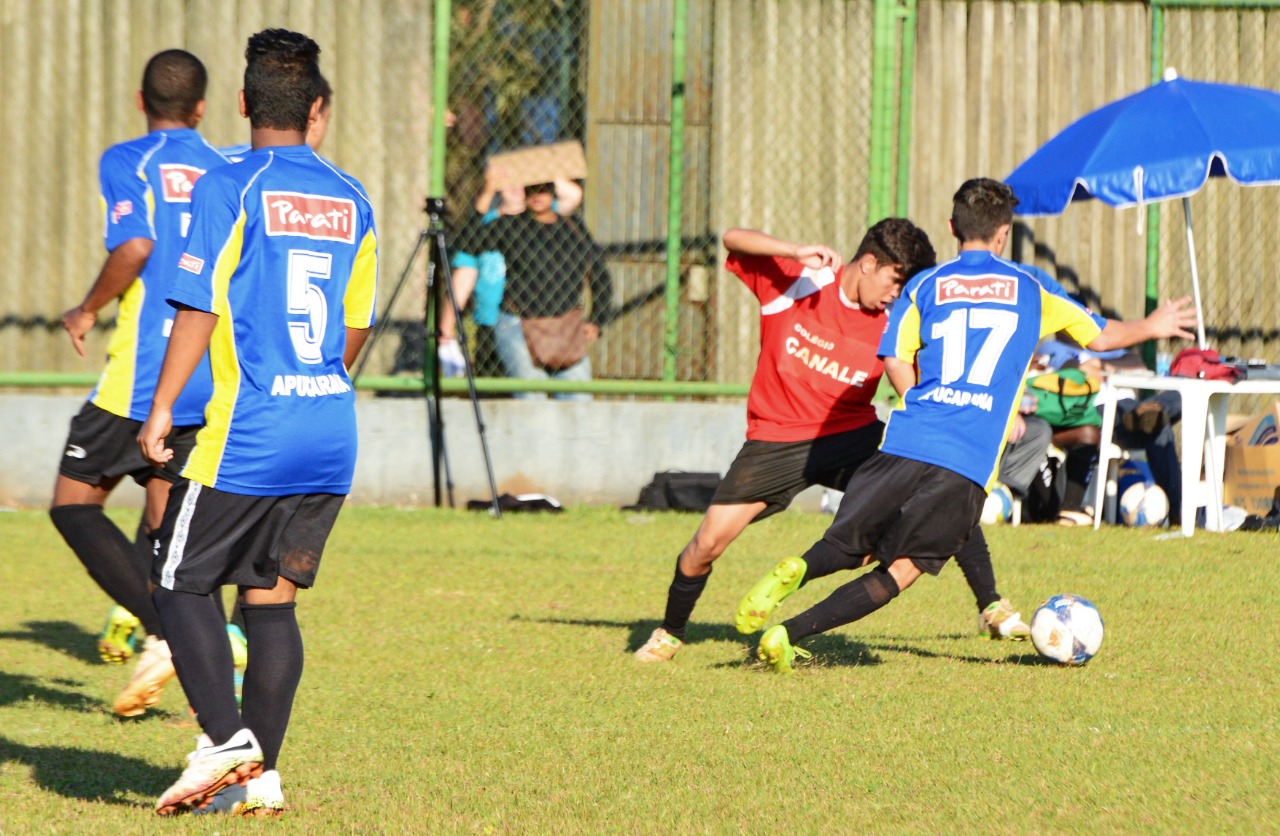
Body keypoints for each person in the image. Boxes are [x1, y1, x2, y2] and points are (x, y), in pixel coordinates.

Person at [735, 178, 1188, 673]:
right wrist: (1152, 325)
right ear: (1003, 234)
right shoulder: (1031, 288)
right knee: (900, 571)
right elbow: (1101, 338)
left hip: (905, 441)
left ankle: (800, 567)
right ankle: (789, 632)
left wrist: (924, 404)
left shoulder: (925, 285)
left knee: (849, 547)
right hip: (966, 460)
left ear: (952, 228)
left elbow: (893, 358)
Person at [137, 28, 378, 816]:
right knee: (270, 602)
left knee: (175, 580)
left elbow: (198, 307)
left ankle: (227, 739)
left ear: (242, 105)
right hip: (330, 431)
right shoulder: (354, 198)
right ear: (318, 111)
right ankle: (263, 778)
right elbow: (354, 328)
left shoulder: (229, 184)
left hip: (252, 431)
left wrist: (165, 406)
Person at [634, 219, 1037, 662]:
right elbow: (731, 238)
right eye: (893, 282)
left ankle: (991, 605)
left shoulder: (893, 320)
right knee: (705, 545)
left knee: (941, 488)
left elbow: (944, 377)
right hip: (775, 441)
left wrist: (1002, 408)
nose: (895, 295)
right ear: (868, 263)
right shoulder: (799, 285)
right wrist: (794, 248)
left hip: (851, 436)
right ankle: (670, 632)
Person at [50, 49, 231, 717]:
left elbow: (134, 246)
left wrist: (88, 306)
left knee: (72, 505)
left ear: (140, 100)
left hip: (143, 372)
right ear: (203, 107)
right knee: (160, 521)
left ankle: (173, 631)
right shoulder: (224, 169)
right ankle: (189, 642)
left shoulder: (131, 160)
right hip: (205, 370)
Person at [456, 174, 614, 399]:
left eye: (544, 188)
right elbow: (466, 242)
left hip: (564, 329)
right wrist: (488, 192)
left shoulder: (573, 227)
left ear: (553, 190)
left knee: (579, 403)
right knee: (532, 401)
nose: (537, 195)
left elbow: (600, 277)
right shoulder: (510, 225)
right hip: (517, 325)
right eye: (531, 189)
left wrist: (597, 319)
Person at [438, 168, 583, 378]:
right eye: (509, 180)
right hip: (491, 322)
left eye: (521, 181)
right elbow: (463, 278)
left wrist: (541, 170)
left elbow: (574, 195)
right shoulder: (486, 225)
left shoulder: (543, 217)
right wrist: (446, 331)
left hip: (535, 324)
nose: (516, 186)